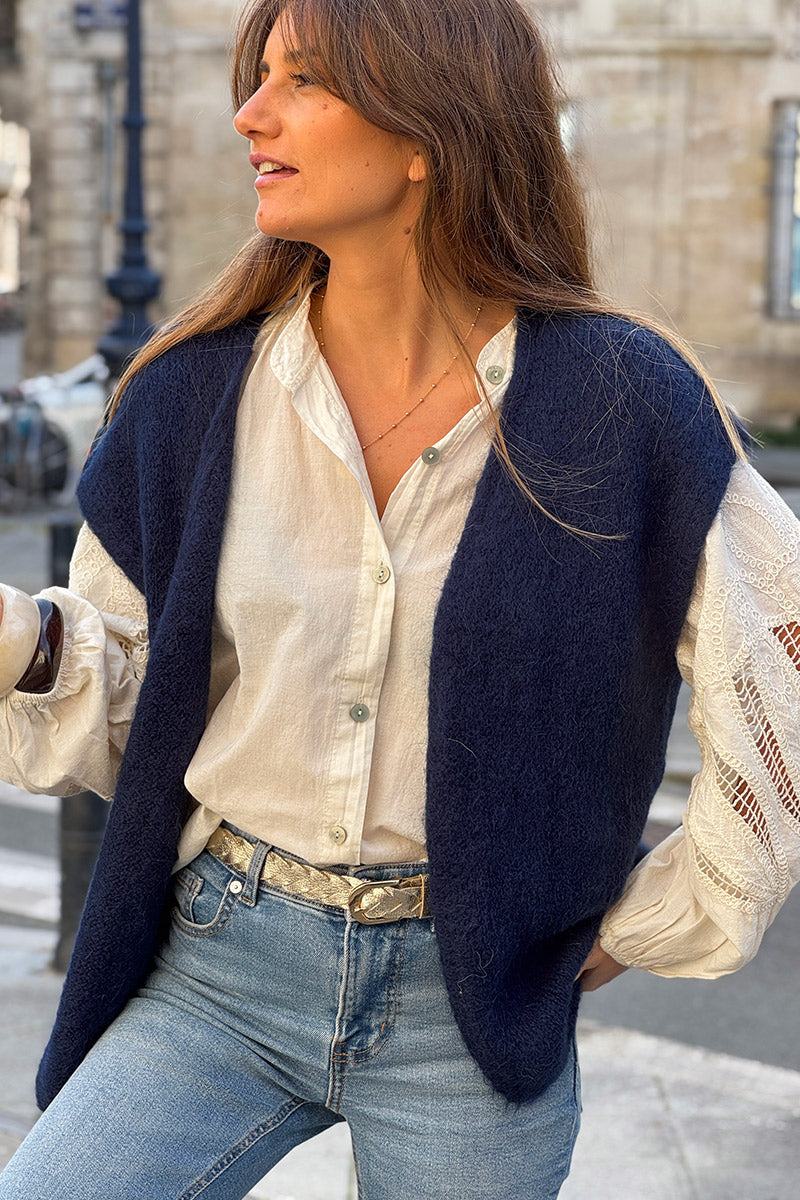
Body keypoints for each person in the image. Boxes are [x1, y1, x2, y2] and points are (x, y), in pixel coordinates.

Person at [0, 0, 799, 1196]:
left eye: (301, 81)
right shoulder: (190, 392)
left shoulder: (625, 400)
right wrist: (22, 644)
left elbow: (774, 667)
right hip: (218, 961)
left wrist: (646, 918)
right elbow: (134, 704)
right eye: (254, 75)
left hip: (466, 1009)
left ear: (429, 127)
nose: (248, 113)